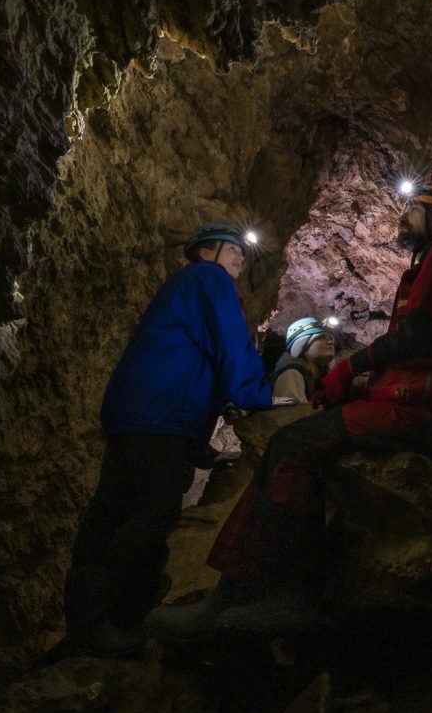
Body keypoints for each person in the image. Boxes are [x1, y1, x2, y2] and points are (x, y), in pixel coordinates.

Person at [145, 183, 432, 641]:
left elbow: (423, 334)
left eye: (416, 209)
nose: (404, 215)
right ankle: (234, 594)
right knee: (295, 443)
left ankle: (279, 593)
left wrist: (352, 365)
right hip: (430, 402)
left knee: (294, 445)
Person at [54, 223, 275, 660]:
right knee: (148, 519)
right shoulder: (209, 279)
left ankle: (85, 625)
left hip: (138, 414)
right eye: (234, 250)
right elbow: (230, 343)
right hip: (161, 417)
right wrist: (256, 396)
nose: (241, 259)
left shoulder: (180, 287)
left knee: (111, 515)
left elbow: (194, 355)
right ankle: (122, 623)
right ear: (207, 251)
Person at [266, 317, 337, 403]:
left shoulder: (318, 376)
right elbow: (293, 414)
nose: (330, 342)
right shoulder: (291, 375)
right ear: (303, 346)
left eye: (330, 339)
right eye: (322, 337)